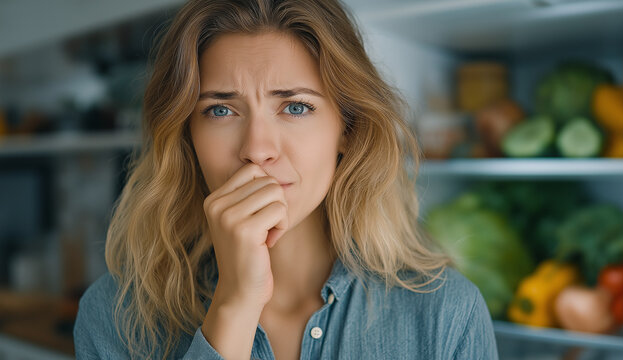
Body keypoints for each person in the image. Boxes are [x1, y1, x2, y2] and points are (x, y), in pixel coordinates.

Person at [73, 0, 498, 359]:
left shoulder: (447, 313)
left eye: (295, 107)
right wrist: (234, 305)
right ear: (188, 137)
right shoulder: (115, 316)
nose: (257, 150)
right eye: (221, 110)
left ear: (347, 129)